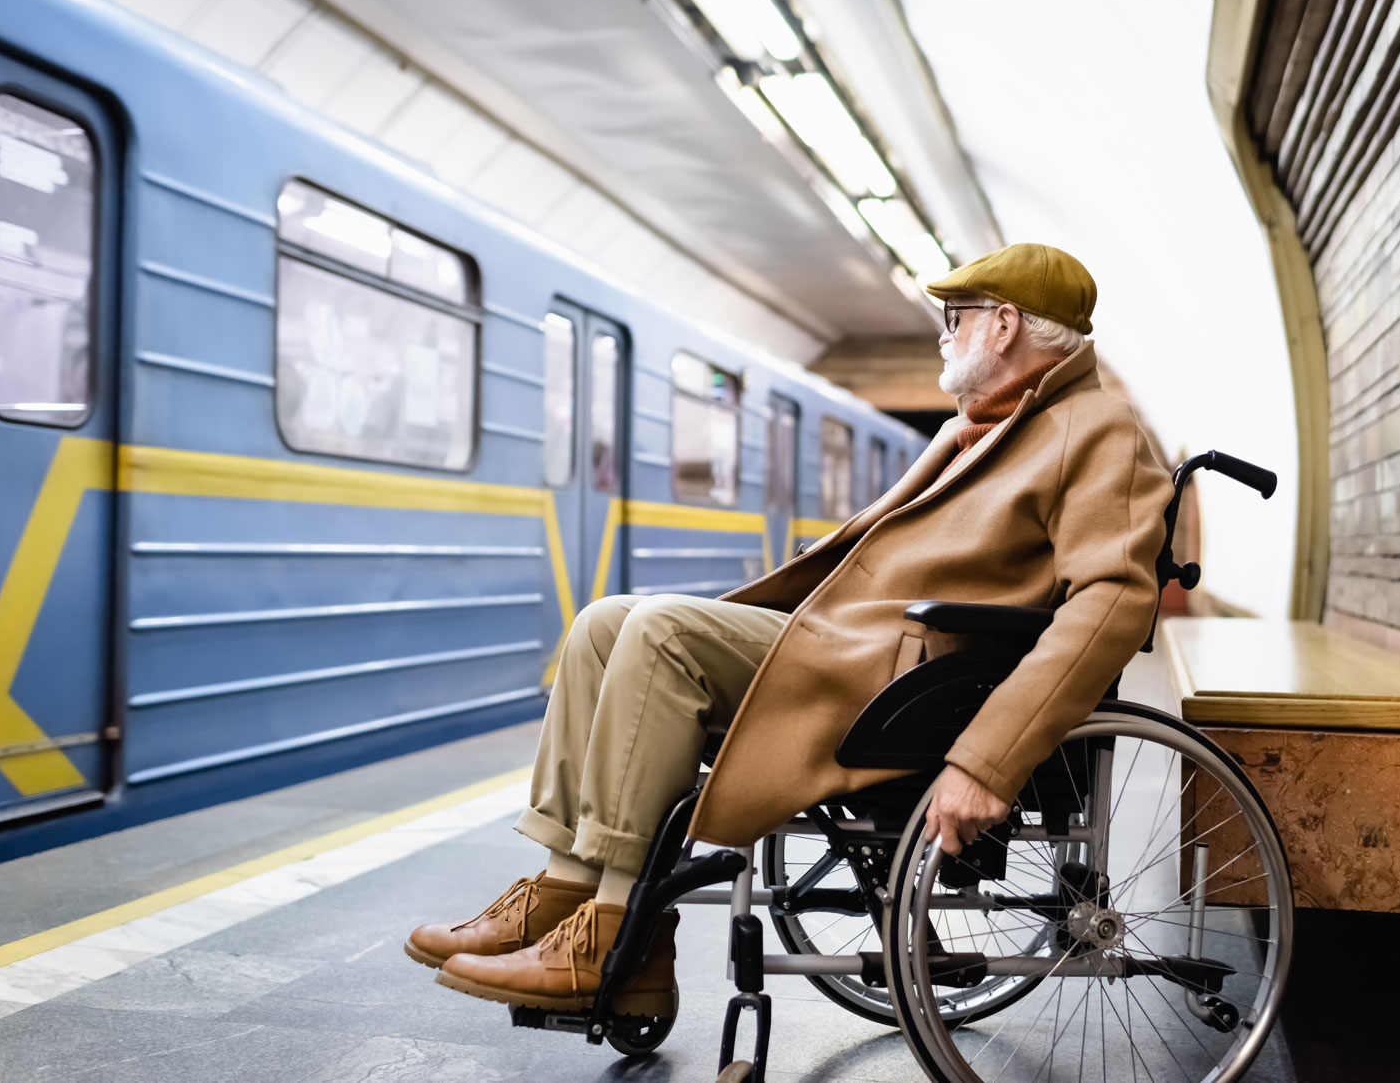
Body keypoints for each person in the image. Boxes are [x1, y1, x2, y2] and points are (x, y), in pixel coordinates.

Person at [405, 243, 1174, 1019]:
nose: (943, 336)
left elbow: (1110, 601)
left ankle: (615, 936)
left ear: (1004, 325)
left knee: (664, 632)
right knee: (604, 624)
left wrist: (988, 760)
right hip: (862, 650)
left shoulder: (1094, 429)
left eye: (955, 318)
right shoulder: (977, 429)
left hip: (914, 679)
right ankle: (563, 890)